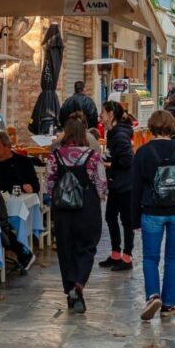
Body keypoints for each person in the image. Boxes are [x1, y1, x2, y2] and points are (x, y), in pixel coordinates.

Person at [131, 110, 175, 320]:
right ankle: (169, 304)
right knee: (173, 258)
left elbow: (135, 189)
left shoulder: (142, 152)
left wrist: (134, 218)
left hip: (152, 212)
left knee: (150, 258)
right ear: (171, 127)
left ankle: (153, 295)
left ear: (151, 127)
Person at [46, 115, 105, 313]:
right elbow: (101, 184)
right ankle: (79, 282)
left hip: (63, 207)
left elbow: (49, 183)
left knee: (65, 248)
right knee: (87, 246)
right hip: (87, 206)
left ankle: (70, 286)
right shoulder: (93, 156)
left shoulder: (56, 155)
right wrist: (99, 196)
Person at [99, 102, 135, 272]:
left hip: (125, 184)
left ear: (111, 114)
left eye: (103, 113)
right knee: (110, 217)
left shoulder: (119, 135)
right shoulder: (113, 133)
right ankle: (115, 253)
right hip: (117, 183)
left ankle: (127, 257)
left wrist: (108, 164)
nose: (100, 116)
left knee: (126, 221)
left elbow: (127, 160)